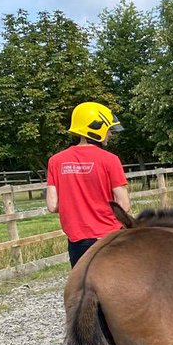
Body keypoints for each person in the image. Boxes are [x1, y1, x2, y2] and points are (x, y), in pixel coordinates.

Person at [46, 102, 131, 267]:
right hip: (109, 238)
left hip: (77, 243)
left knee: (82, 290)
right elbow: (124, 205)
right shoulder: (110, 160)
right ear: (96, 128)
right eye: (108, 130)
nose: (110, 135)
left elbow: (52, 206)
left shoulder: (55, 161)